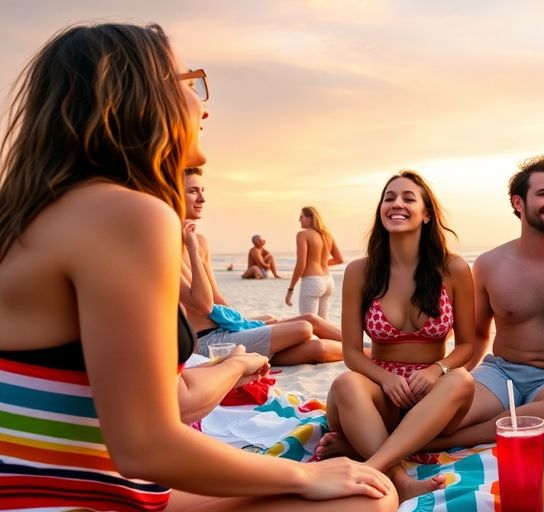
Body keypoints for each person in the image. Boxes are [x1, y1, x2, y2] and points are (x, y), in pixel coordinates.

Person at [0, 22, 395, 511]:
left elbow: (161, 404)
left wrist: (237, 365)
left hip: (84, 485)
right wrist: (301, 475)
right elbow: (144, 445)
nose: (202, 104)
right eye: (190, 83)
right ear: (141, 97)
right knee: (366, 498)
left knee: (357, 486)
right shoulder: (125, 214)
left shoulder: (36, 216)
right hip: (65, 498)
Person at [423, 156, 544, 451]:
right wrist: (456, 386)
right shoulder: (489, 264)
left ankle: (456, 441)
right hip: (501, 372)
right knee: (441, 413)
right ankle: (486, 425)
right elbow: (478, 335)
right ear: (518, 203)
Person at [316, 170, 476, 502]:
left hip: (428, 398)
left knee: (461, 380)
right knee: (346, 383)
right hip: (378, 394)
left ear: (426, 214)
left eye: (407, 198)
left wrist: (437, 371)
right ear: (380, 210)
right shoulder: (361, 271)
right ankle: (397, 478)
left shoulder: (454, 269)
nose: (396, 204)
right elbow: (351, 353)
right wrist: (385, 379)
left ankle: (370, 462)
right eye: (389, 198)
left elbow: (467, 345)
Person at [180, 167, 345, 365]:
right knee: (305, 328)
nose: (202, 199)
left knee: (316, 342)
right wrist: (191, 249)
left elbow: (216, 297)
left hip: (225, 330)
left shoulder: (201, 241)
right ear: (174, 194)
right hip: (208, 342)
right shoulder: (168, 247)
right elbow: (204, 304)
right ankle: (369, 353)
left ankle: (370, 353)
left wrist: (241, 323)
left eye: (202, 190)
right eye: (192, 191)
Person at [285, 206, 343, 318]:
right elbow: (339, 259)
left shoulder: (303, 235)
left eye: (301, 217)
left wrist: (291, 289)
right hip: (328, 282)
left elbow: (301, 263)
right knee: (323, 324)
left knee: (308, 323)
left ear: (310, 218)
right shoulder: (327, 235)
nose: (299, 219)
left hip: (312, 282)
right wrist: (321, 263)